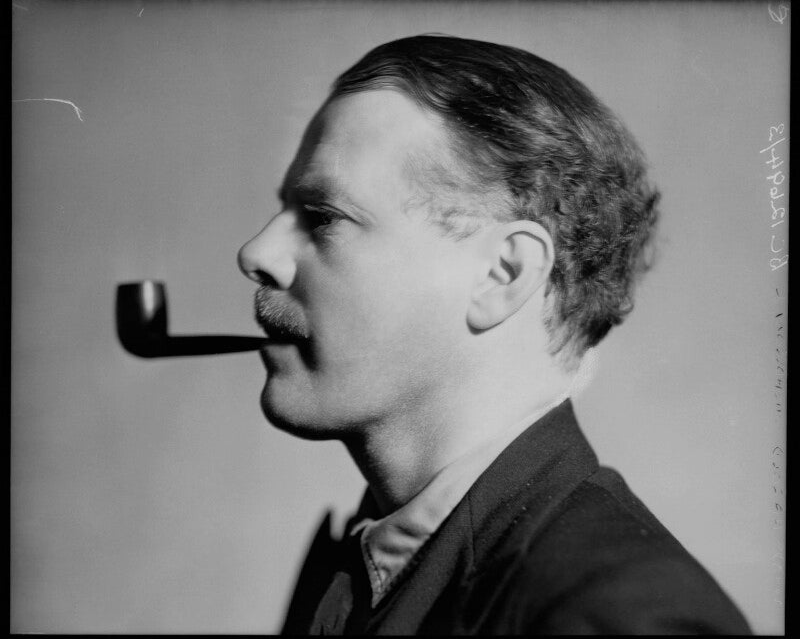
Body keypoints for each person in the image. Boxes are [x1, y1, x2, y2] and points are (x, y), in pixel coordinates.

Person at [237, 34, 751, 635]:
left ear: (503, 274)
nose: (257, 253)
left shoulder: (617, 615)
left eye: (323, 217)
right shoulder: (366, 559)